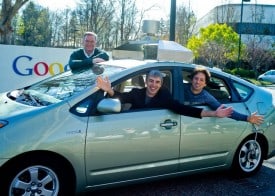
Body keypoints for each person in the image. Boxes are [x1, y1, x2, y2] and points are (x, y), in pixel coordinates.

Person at [96, 69, 233, 119]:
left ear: (161, 84)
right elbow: (121, 97)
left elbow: (183, 109)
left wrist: (213, 113)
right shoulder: (136, 93)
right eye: (151, 81)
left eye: (157, 82)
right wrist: (109, 89)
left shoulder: (164, 96)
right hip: (135, 127)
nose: (153, 85)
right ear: (146, 81)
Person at [184, 67, 264, 125]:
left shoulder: (206, 96)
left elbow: (225, 110)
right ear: (192, 79)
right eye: (196, 78)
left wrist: (247, 118)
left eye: (201, 80)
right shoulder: (181, 88)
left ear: (205, 84)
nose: (198, 82)